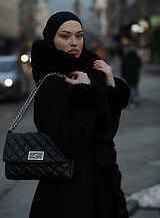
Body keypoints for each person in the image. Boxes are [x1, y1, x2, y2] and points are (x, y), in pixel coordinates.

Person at [29, 11, 130, 218]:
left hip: (98, 185)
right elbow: (72, 142)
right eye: (65, 36)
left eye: (79, 35)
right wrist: (86, 93)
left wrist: (109, 85)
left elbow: (107, 134)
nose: (74, 43)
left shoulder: (86, 77)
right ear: (51, 39)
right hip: (67, 194)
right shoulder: (52, 83)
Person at [121, 44, 142, 109]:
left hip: (128, 75)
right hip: (135, 75)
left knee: (130, 88)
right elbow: (140, 65)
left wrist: (123, 76)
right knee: (135, 86)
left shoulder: (126, 58)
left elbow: (123, 68)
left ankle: (132, 102)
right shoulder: (137, 57)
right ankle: (136, 97)